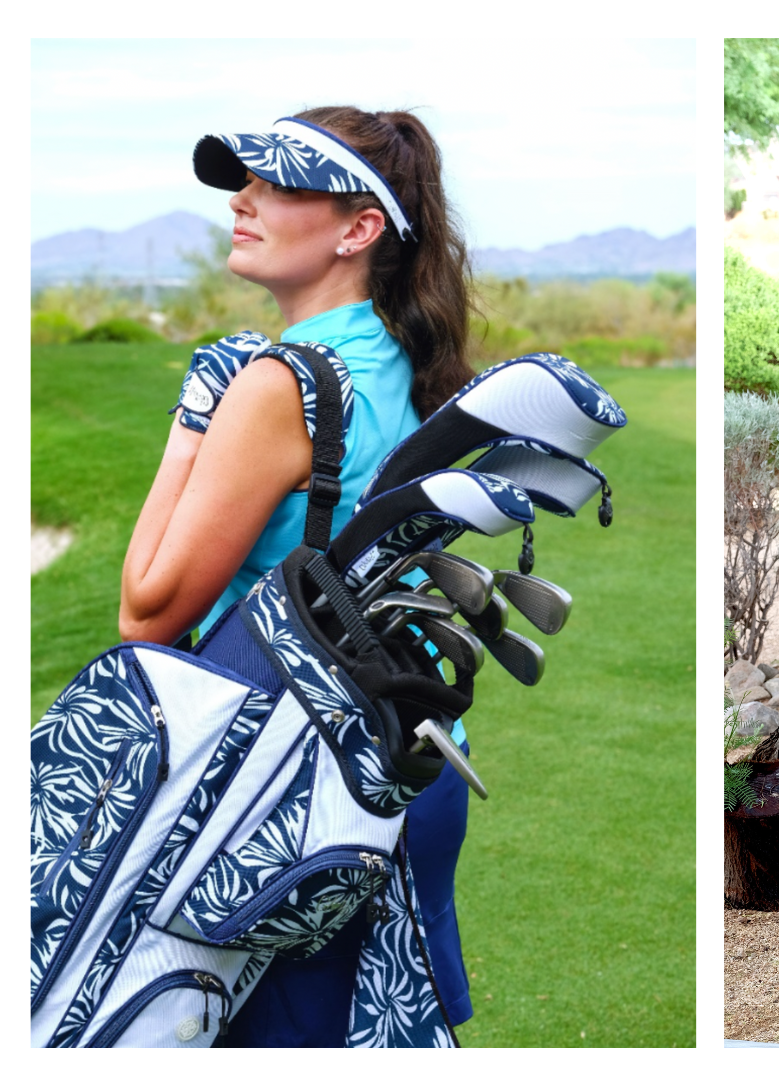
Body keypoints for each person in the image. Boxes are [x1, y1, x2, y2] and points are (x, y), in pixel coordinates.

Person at [118, 107, 479, 1040]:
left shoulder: (279, 382)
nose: (243, 200)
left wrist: (194, 421)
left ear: (359, 230)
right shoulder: (409, 357)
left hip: (291, 785)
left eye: (277, 184)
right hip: (411, 762)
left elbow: (147, 612)